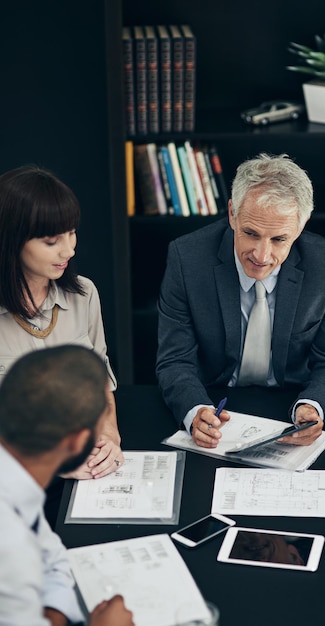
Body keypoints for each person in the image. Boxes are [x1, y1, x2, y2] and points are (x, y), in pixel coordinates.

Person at [156, 153, 325, 448]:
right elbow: (175, 359)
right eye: (251, 233)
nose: (261, 256)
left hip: (291, 402)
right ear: (232, 214)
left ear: (300, 227)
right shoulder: (187, 258)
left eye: (279, 239)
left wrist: (313, 406)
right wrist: (195, 410)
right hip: (216, 399)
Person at [0, 164, 123, 482]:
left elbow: (101, 387)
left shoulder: (84, 294)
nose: (70, 249)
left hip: (85, 471)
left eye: (71, 233)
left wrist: (110, 436)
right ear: (12, 240)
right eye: (52, 240)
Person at [0, 345, 134, 626]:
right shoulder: (9, 545)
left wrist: (53, 618)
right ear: (76, 442)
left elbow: (53, 559)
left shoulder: (19, 482)